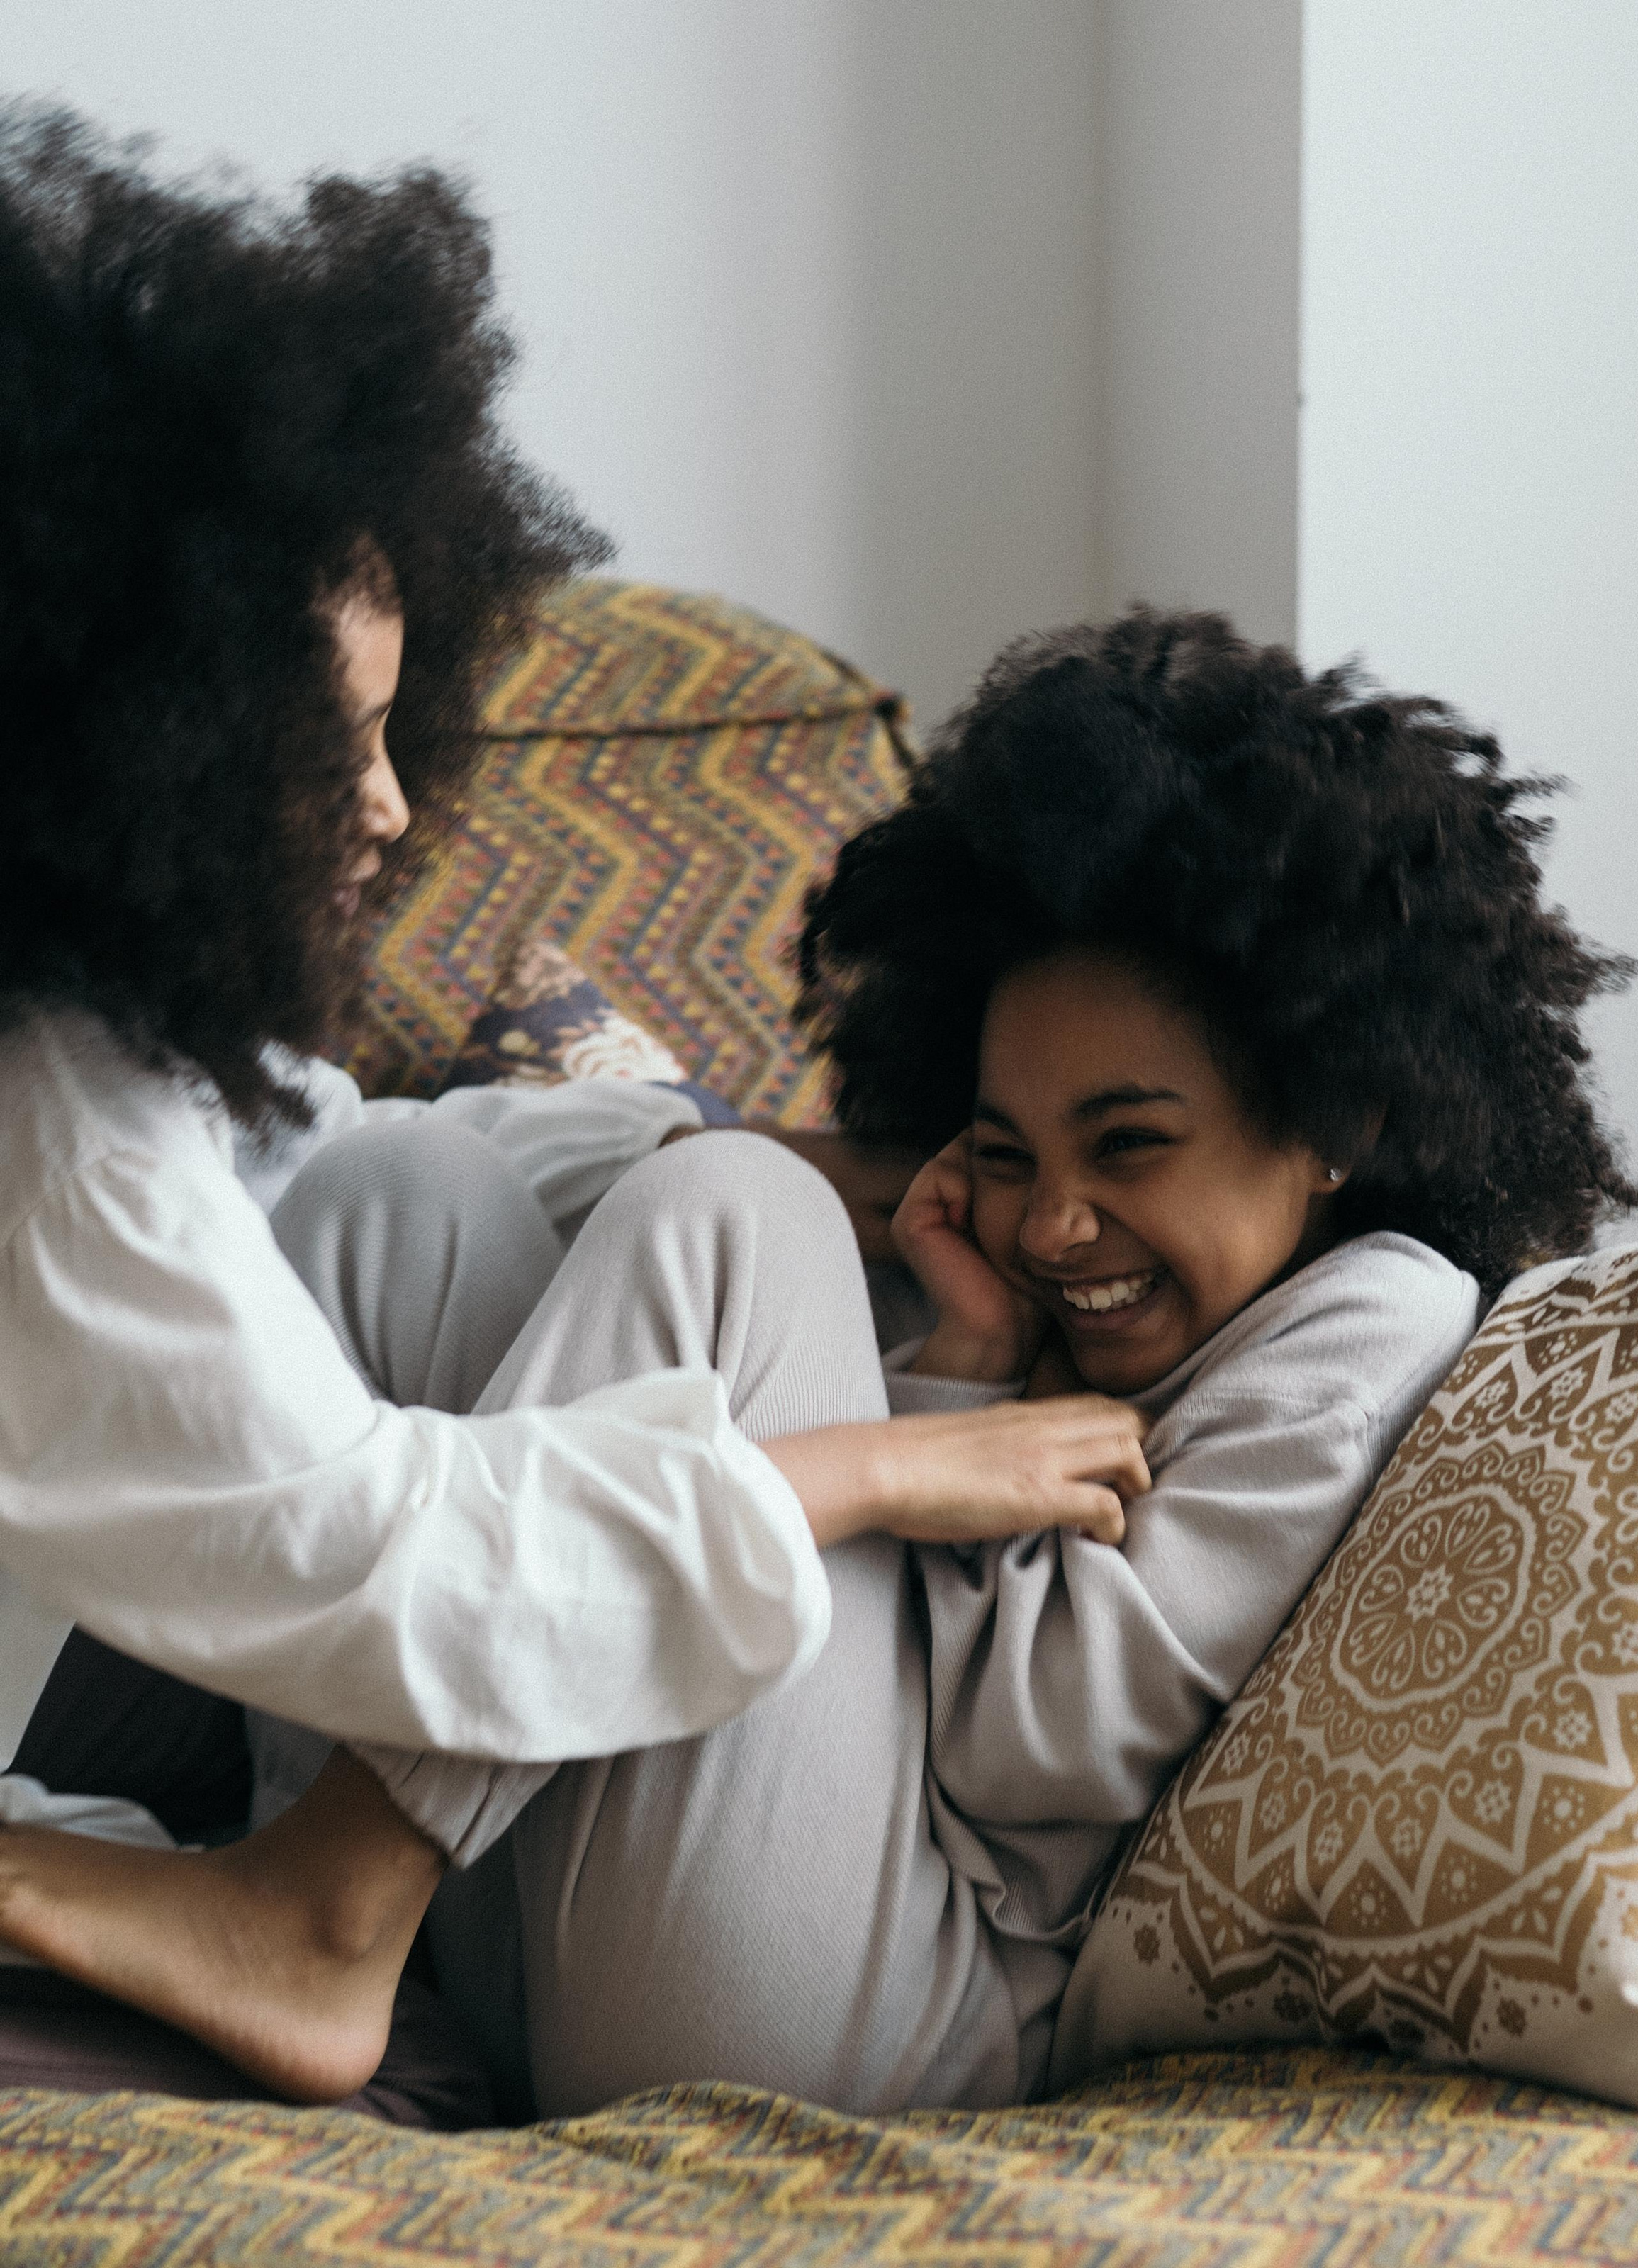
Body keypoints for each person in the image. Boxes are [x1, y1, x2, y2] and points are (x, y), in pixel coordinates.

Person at [2, 602, 1638, 2119]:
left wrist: (944, 1394)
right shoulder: (995, 1275)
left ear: (1339, 1119)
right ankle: (298, 1879)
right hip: (581, 1938)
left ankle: (319, 1910)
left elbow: (1026, 1752)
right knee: (398, 1195)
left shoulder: (1366, 1317)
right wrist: (953, 1338)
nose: (1059, 1223)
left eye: (1127, 1146)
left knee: (730, 1207)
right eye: (1007, 1150)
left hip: (872, 2005)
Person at [0, 113, 1150, 2113]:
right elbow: (380, 1552)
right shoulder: (58, 1136)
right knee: (717, 1226)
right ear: (134, 742)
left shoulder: (98, 1053)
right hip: (737, 1971)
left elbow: (300, 1148)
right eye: (326, 744)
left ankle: (330, 1913)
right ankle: (318, 1923)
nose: (385, 805)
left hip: (692, 1915)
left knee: (420, 1180)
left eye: (390, 726)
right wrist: (883, 1467)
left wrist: (834, 1164)